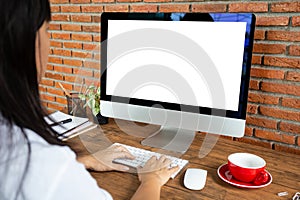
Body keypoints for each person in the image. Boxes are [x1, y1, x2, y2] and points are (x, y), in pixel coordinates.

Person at [0, 0, 179, 199]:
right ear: (24, 42)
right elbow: (45, 175)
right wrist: (151, 180)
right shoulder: (39, 162)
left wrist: (84, 160)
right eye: (47, 29)